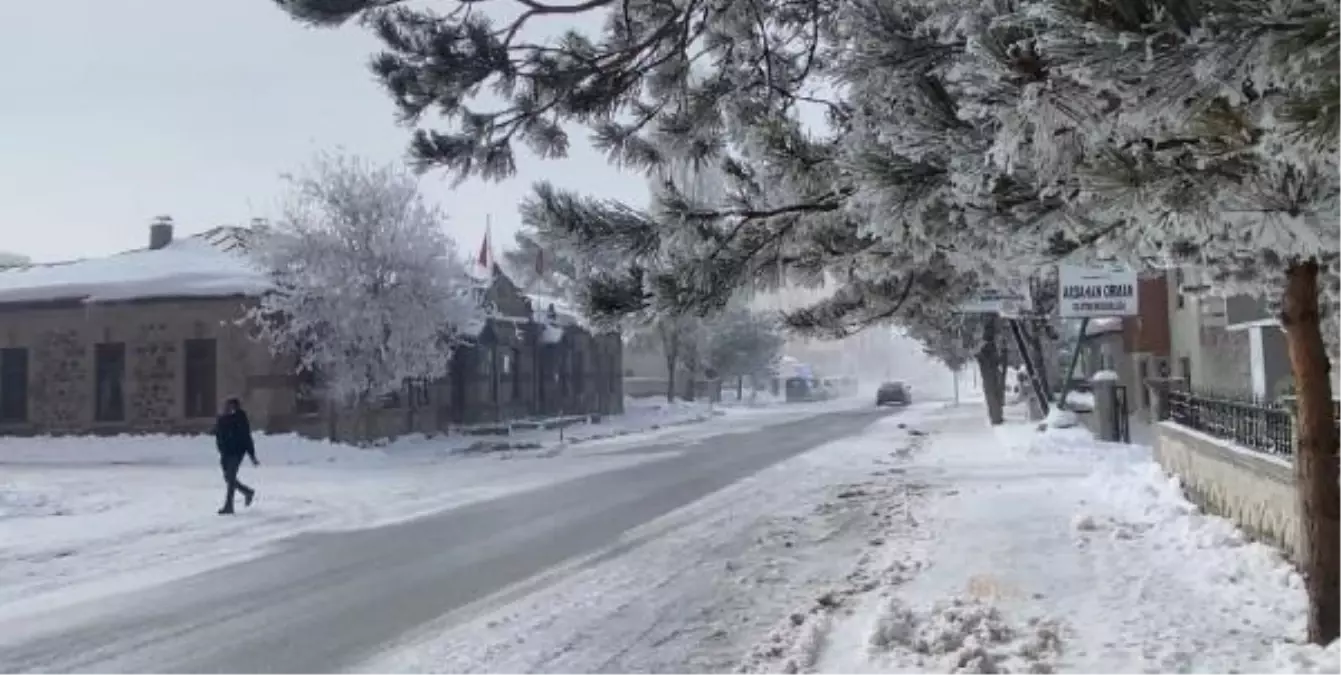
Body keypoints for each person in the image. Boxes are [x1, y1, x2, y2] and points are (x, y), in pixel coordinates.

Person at [213, 397, 259, 515]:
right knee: (228, 478)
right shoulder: (222, 419)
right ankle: (247, 492)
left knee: (231, 477)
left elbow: (246, 437)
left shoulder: (240, 418)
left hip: (236, 452)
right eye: (226, 406)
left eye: (230, 406)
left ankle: (229, 506)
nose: (227, 408)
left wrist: (252, 455)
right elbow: (218, 434)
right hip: (225, 452)